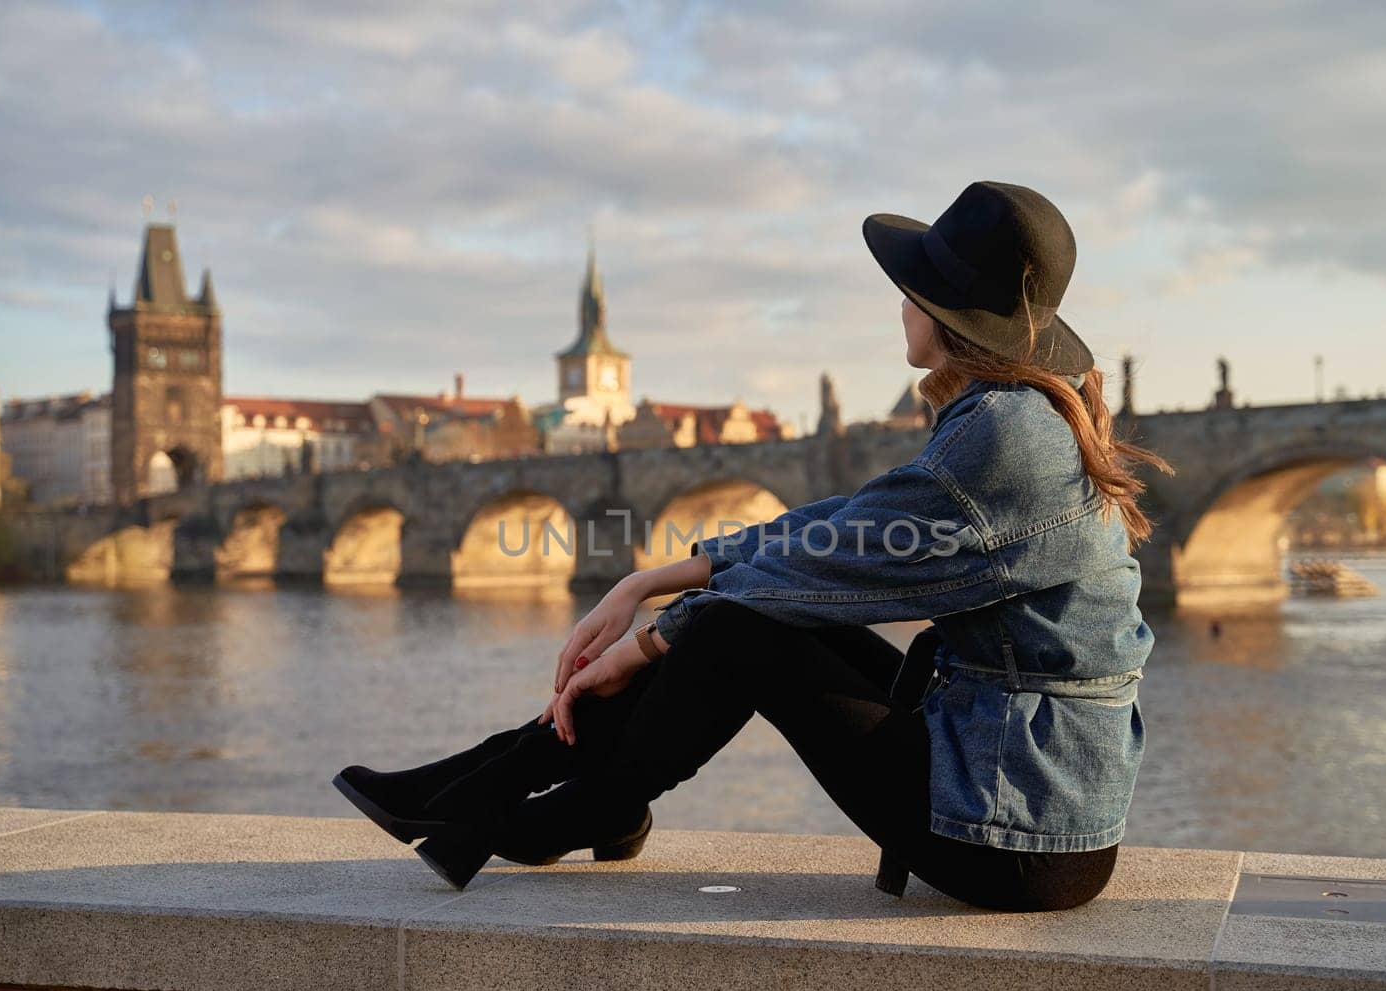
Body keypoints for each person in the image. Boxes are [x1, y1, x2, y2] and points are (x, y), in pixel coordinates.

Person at [333, 181, 1174, 911]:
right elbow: (844, 528)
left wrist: (657, 633)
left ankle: (555, 804)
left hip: (1015, 831)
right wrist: (655, 578)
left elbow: (823, 562)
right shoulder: (1023, 413)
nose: (902, 303)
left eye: (911, 287)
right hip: (1030, 794)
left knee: (736, 629)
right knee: (754, 615)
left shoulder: (1004, 436)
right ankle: (521, 787)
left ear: (950, 315)